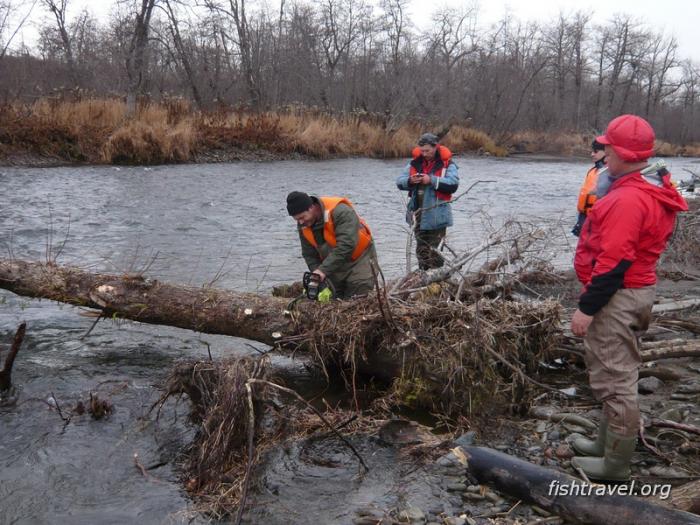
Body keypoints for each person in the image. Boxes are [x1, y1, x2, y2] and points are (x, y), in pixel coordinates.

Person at [569, 115, 688, 481]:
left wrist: (586, 309)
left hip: (618, 296)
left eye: (607, 147)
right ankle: (605, 445)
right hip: (634, 291)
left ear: (620, 152)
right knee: (617, 369)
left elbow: (614, 262)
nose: (603, 154)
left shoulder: (629, 199)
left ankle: (614, 466)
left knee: (615, 378)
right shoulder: (645, 187)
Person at [286, 191, 378, 300]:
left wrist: (322, 270)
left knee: (357, 302)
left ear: (311, 207)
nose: (300, 222)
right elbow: (309, 254)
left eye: (302, 217)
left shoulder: (341, 211)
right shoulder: (304, 223)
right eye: (297, 220)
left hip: (359, 262)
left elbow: (346, 246)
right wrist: (317, 276)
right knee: (334, 302)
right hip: (333, 266)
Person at [396, 132, 459, 270]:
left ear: (436, 147)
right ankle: (424, 279)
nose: (424, 153)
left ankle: (437, 282)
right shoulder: (414, 163)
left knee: (435, 254)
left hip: (438, 217)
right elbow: (399, 182)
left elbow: (453, 185)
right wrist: (410, 181)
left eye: (427, 150)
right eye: (422, 151)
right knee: (421, 252)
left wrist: (431, 180)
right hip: (418, 215)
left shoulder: (448, 164)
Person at [571, 140, 607, 236]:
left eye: (595, 151)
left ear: (607, 152)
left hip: (597, 222)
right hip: (584, 218)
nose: (592, 154)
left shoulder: (611, 174)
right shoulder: (592, 171)